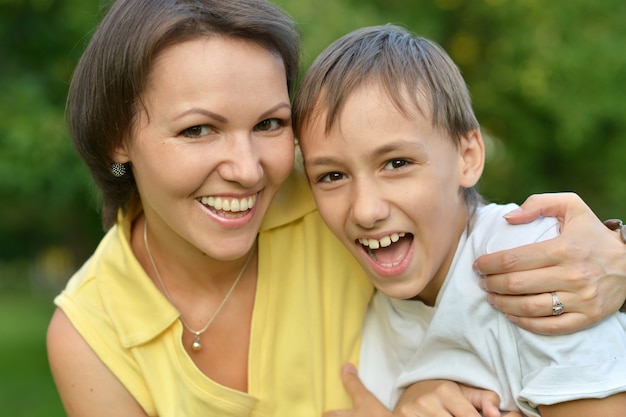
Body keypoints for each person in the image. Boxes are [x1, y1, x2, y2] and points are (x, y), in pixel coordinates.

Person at [46, 0, 626, 415]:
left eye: (270, 124)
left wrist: (617, 255)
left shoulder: (332, 206)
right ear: (117, 136)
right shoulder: (91, 336)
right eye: (199, 129)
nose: (248, 170)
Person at [293, 24, 626, 416]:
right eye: (332, 176)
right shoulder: (362, 310)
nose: (365, 210)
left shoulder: (530, 257)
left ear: (468, 158)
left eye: (397, 163)